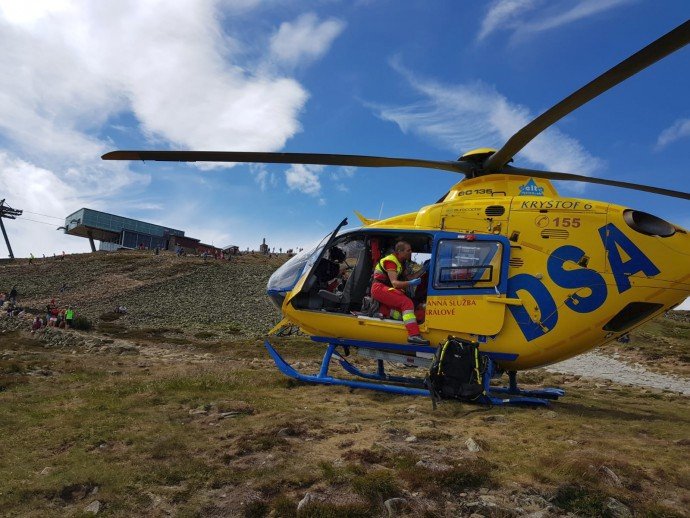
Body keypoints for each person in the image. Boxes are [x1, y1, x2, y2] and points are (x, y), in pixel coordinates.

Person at [371, 241, 429, 345]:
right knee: (406, 303)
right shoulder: (391, 261)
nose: (411, 252)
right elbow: (395, 284)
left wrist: (423, 270)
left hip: (386, 288)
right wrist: (410, 283)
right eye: (409, 250)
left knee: (410, 307)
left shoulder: (401, 262)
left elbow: (409, 278)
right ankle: (413, 335)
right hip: (379, 288)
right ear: (399, 251)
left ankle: (384, 312)